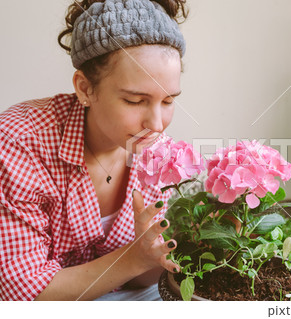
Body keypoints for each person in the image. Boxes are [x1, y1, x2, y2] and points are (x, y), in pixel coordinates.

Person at [0, 0, 188, 301]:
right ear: (85, 88)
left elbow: (142, 278)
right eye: (135, 101)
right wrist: (132, 258)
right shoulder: (19, 141)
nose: (157, 125)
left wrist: (158, 251)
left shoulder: (152, 151)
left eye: (167, 101)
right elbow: (20, 291)